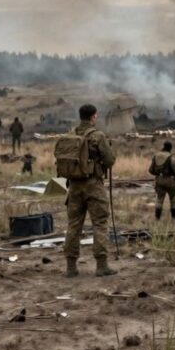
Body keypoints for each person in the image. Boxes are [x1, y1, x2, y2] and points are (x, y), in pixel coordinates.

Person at [63, 104, 118, 278]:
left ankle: (71, 267)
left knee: (73, 226)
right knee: (100, 223)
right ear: (94, 116)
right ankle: (101, 265)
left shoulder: (71, 135)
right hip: (93, 185)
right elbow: (109, 160)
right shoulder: (97, 136)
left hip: (73, 186)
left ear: (80, 116)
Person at [149, 140, 175, 220]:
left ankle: (157, 219)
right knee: (173, 199)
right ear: (170, 148)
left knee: (159, 200)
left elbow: (150, 170)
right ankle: (173, 219)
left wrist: (158, 175)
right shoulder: (171, 158)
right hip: (170, 181)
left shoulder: (156, 156)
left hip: (159, 180)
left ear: (163, 146)